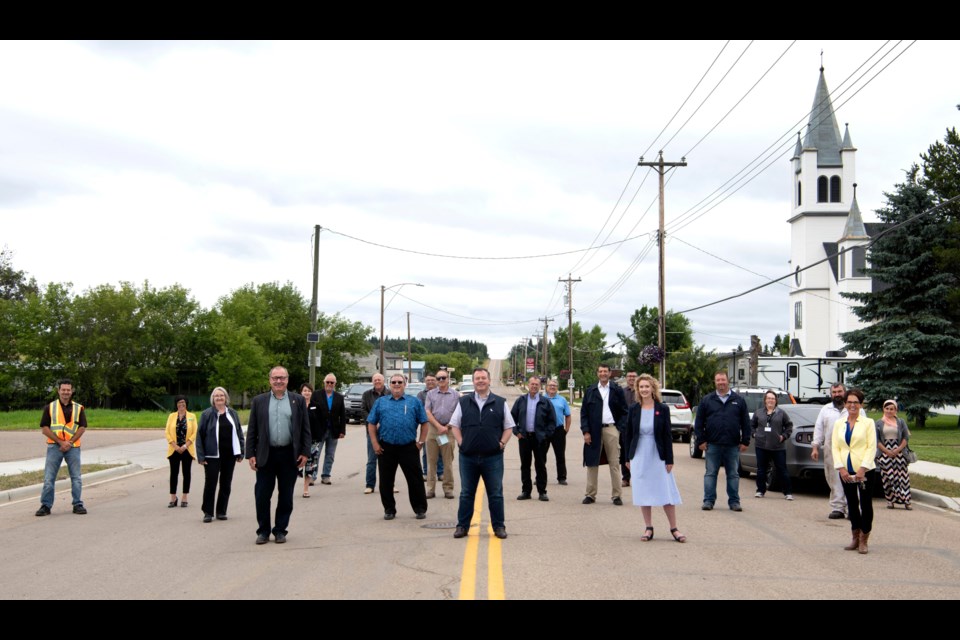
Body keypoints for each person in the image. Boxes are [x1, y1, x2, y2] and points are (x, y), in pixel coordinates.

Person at [246, 366, 312, 545]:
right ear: (270, 380)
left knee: (286, 495)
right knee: (262, 494)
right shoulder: (259, 401)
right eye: (275, 378)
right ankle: (263, 531)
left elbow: (305, 429)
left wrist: (305, 452)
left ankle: (280, 530)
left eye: (282, 378)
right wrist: (250, 454)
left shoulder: (297, 400)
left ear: (287, 380)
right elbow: (252, 429)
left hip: (289, 455)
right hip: (265, 455)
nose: (278, 381)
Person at [449, 367, 514, 539]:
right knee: (466, 493)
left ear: (489, 380)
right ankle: (462, 526)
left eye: (483, 378)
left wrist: (501, 444)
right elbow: (454, 425)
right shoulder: (463, 402)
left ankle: (499, 527)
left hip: (492, 457)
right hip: (468, 457)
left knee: (496, 494)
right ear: (473, 381)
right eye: (477, 378)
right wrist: (462, 443)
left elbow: (508, 427)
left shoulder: (500, 402)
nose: (480, 381)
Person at [623, 374, 685, 542]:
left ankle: (674, 528)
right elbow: (628, 435)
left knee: (665, 490)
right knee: (643, 491)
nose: (644, 389)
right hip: (639, 453)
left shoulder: (662, 409)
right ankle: (648, 527)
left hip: (658, 453)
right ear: (637, 389)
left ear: (653, 389)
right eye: (641, 387)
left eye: (647, 386)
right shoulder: (634, 409)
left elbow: (667, 435)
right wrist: (628, 458)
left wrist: (669, 459)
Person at [366, 375, 429, 520]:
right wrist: (375, 443)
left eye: (399, 382)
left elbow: (424, 422)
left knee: (415, 480)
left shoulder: (414, 402)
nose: (396, 384)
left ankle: (420, 508)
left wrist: (420, 442)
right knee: (386, 481)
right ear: (389, 385)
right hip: (386, 447)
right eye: (393, 382)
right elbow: (371, 423)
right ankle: (389, 509)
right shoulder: (381, 402)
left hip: (409, 447)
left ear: (405, 384)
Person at [693, 371, 750, 511]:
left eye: (723, 380)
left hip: (732, 445)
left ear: (727, 380)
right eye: (718, 380)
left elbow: (746, 422)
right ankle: (708, 501)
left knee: (733, 474)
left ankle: (734, 502)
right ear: (715, 382)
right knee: (710, 473)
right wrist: (700, 440)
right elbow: (699, 422)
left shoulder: (739, 400)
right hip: (713, 444)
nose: (721, 382)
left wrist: (745, 441)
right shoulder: (707, 400)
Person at [831, 388, 877, 554]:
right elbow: (835, 447)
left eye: (856, 402)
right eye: (849, 402)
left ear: (861, 404)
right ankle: (855, 536)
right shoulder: (839, 424)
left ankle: (864, 538)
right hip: (846, 471)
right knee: (851, 503)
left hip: (864, 471)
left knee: (865, 503)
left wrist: (863, 468)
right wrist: (841, 468)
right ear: (844, 404)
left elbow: (871, 447)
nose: (852, 405)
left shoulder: (868, 423)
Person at [36, 378, 88, 517]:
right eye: (63, 390)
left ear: (72, 391)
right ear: (58, 391)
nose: (66, 392)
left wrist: (69, 442)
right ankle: (46, 506)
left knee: (76, 477)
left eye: (68, 390)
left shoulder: (78, 408)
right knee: (49, 478)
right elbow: (44, 429)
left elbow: (82, 428)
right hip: (55, 447)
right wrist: (60, 442)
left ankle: (77, 504)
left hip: (73, 447)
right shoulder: (50, 407)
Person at [580, 364, 628, 505]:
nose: (603, 374)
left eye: (605, 371)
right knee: (592, 462)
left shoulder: (617, 390)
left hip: (611, 429)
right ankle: (590, 494)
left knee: (614, 462)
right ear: (597, 373)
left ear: (610, 373)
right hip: (593, 431)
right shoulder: (591, 390)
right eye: (600, 371)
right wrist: (586, 431)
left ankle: (616, 495)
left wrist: (619, 428)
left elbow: (625, 411)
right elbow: (584, 413)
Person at [196, 387, 244, 524]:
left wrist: (241, 451)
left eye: (221, 395)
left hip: (229, 455)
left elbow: (239, 433)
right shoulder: (207, 414)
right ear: (213, 399)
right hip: (212, 455)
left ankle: (221, 511)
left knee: (226, 484)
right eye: (216, 396)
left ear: (226, 398)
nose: (219, 398)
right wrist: (201, 456)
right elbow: (200, 436)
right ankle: (208, 512)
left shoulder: (233, 413)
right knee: (210, 483)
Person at [511, 376, 555, 501]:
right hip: (524, 438)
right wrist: (517, 432)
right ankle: (526, 491)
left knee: (540, 465)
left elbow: (552, 421)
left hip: (540, 439)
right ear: (528, 385)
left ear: (540, 386)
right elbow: (511, 418)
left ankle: (542, 492)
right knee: (525, 465)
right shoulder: (521, 400)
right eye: (532, 384)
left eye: (537, 384)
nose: (534, 386)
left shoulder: (545, 402)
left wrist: (546, 435)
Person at [811, 383, 849, 519]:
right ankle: (838, 507)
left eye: (839, 391)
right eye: (834, 392)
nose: (837, 394)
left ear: (844, 392)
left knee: (850, 477)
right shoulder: (826, 409)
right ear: (831, 394)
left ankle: (852, 508)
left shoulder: (853, 408)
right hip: (831, 449)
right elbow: (819, 428)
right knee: (834, 478)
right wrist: (815, 447)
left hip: (850, 450)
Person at [750, 390, 794, 500]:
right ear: (765, 400)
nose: (770, 400)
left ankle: (787, 492)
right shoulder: (758, 412)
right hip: (761, 445)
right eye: (768, 398)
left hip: (778, 446)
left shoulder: (781, 413)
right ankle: (760, 490)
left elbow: (789, 426)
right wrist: (754, 434)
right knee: (761, 469)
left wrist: (783, 436)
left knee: (782, 469)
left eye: (773, 398)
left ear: (776, 401)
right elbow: (751, 425)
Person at [424, 370, 458, 499]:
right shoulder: (431, 394)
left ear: (448, 379)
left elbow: (457, 413)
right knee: (431, 461)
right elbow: (427, 411)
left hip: (448, 431)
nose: (441, 380)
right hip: (433, 430)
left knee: (447, 462)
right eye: (439, 378)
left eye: (444, 378)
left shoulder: (455, 395)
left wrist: (446, 427)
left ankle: (448, 489)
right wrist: (438, 427)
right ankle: (430, 489)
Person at [875, 399, 912, 510]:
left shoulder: (900, 422)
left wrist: (898, 449)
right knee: (888, 477)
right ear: (883, 409)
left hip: (899, 452)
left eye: (891, 409)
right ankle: (890, 501)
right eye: (887, 408)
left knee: (902, 477)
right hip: (884, 452)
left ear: (896, 410)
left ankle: (906, 501)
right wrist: (887, 451)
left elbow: (906, 437)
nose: (889, 411)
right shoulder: (879, 423)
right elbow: (876, 440)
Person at [312, 374, 347, 487]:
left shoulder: (339, 397)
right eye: (328, 382)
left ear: (335, 384)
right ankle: (312, 476)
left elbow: (342, 415)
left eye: (332, 382)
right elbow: (312, 413)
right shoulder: (316, 395)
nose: (329, 384)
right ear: (324, 382)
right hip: (319, 430)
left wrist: (342, 430)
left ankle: (326, 476)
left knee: (330, 455)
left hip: (333, 430)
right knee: (315, 454)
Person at [165, 395, 197, 508]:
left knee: (186, 473)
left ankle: (184, 497)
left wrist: (185, 446)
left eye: (183, 402)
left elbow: (194, 433)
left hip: (186, 449)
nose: (181, 404)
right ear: (176, 404)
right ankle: (173, 498)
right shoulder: (171, 416)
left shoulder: (192, 416)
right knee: (174, 474)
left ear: (186, 403)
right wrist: (175, 446)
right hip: (174, 450)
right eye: (179, 402)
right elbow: (167, 432)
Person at [361, 373, 388, 494]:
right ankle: (370, 485)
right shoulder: (367, 394)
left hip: (387, 431)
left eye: (379, 380)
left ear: (383, 381)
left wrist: (382, 422)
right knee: (372, 459)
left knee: (388, 460)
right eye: (375, 380)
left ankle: (389, 484)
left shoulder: (389, 393)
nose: (377, 381)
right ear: (373, 382)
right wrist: (373, 421)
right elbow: (363, 410)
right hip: (371, 431)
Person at [544, 379, 571, 485]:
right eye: (550, 385)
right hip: (544, 430)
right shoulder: (541, 399)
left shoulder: (562, 400)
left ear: (557, 387)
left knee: (560, 455)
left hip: (558, 430)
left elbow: (568, 415)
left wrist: (566, 429)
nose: (552, 387)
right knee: (541, 455)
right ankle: (540, 477)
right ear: (546, 387)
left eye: (554, 385)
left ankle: (562, 477)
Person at [418, 373, 441, 481]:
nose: (430, 382)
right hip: (427, 427)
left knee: (441, 449)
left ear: (436, 381)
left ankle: (441, 472)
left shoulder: (440, 392)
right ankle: (426, 472)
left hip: (440, 427)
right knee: (426, 451)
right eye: (428, 380)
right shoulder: (421, 395)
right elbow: (419, 410)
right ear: (425, 381)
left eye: (432, 380)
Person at [300, 383, 318, 497]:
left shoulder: (316, 406)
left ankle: (306, 489)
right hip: (299, 440)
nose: (307, 393)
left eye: (309, 391)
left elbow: (321, 422)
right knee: (296, 465)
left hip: (313, 440)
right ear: (301, 392)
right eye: (305, 390)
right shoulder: (296, 405)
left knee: (310, 465)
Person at [621, 371, 638, 487]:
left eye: (633, 376)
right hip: (625, 428)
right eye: (629, 376)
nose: (631, 378)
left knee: (638, 452)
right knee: (624, 453)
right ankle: (625, 478)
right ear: (626, 378)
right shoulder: (622, 392)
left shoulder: (641, 391)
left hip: (638, 427)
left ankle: (638, 477)